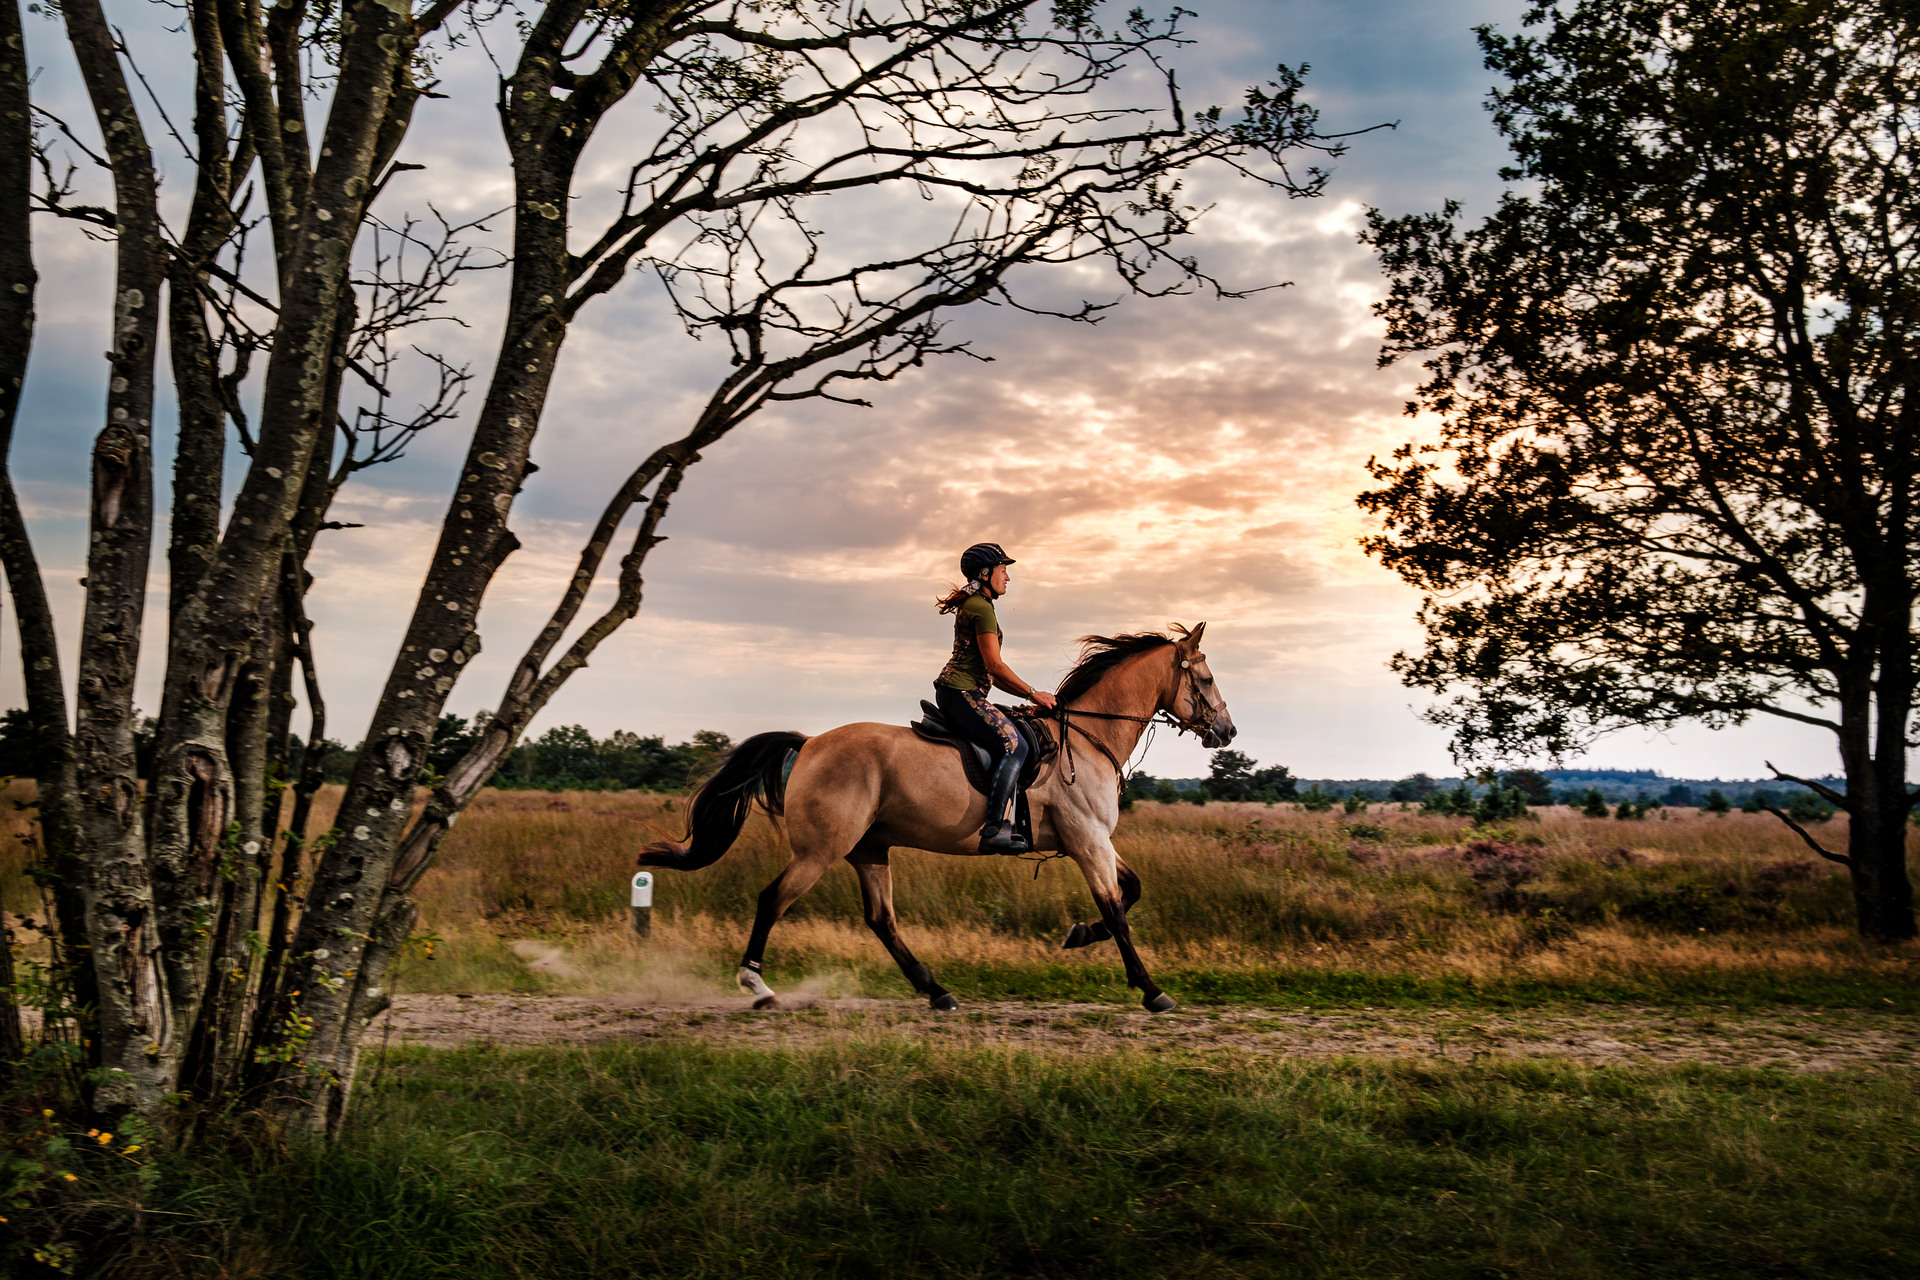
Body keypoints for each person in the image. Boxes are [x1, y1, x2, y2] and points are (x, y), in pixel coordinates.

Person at [934, 542, 1057, 854]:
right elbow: (995, 666)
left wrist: (1027, 696)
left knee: (1016, 734)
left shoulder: (977, 604)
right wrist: (1034, 693)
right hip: (962, 693)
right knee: (1016, 746)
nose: (1008, 577)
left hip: (962, 691)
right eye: (1004, 570)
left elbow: (993, 674)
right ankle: (994, 828)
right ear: (986, 573)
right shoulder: (981, 609)